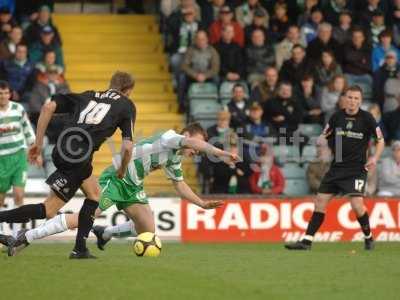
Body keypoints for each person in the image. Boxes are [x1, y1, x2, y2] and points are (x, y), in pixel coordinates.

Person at [1, 123, 239, 255]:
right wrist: (219, 152)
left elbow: (180, 185)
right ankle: (25, 237)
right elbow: (194, 143)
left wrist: (201, 203)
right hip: (116, 178)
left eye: (198, 150)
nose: (196, 151)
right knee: (82, 219)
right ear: (186, 135)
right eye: (196, 144)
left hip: (133, 186)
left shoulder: (174, 158)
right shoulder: (170, 137)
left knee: (148, 229)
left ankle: (106, 233)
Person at [0, 71, 137, 259]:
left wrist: (38, 144)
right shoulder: (127, 105)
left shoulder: (88, 95)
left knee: (94, 194)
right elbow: (128, 147)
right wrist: (122, 170)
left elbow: (48, 107)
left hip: (62, 149)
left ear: (111, 84)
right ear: (128, 90)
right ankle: (78, 249)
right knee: (49, 209)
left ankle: (80, 248)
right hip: (78, 158)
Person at [285, 85, 385, 251]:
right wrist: (321, 139)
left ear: (360, 101)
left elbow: (380, 140)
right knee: (319, 202)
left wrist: (375, 157)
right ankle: (306, 242)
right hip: (336, 168)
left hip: (356, 170)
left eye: (356, 99)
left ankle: (368, 237)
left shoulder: (367, 118)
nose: (352, 101)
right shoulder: (336, 117)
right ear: (345, 99)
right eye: (350, 98)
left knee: (357, 205)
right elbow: (325, 134)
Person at [0, 81, 36, 239]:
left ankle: (15, 236)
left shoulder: (18, 109)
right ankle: (1, 235)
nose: (3, 96)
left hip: (19, 155)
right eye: (0, 94)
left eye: (6, 93)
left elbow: (27, 129)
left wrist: (35, 150)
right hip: (1, 158)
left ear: (10, 94)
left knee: (19, 195)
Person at [179, 30, 220, 112]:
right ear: (195, 40)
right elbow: (184, 66)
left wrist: (205, 76)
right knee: (182, 78)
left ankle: (217, 102)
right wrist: (195, 75)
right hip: (193, 76)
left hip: (207, 76)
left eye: (203, 39)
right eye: (198, 39)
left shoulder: (212, 51)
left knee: (217, 78)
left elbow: (215, 68)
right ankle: (182, 104)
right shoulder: (190, 50)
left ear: (207, 40)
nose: (201, 41)